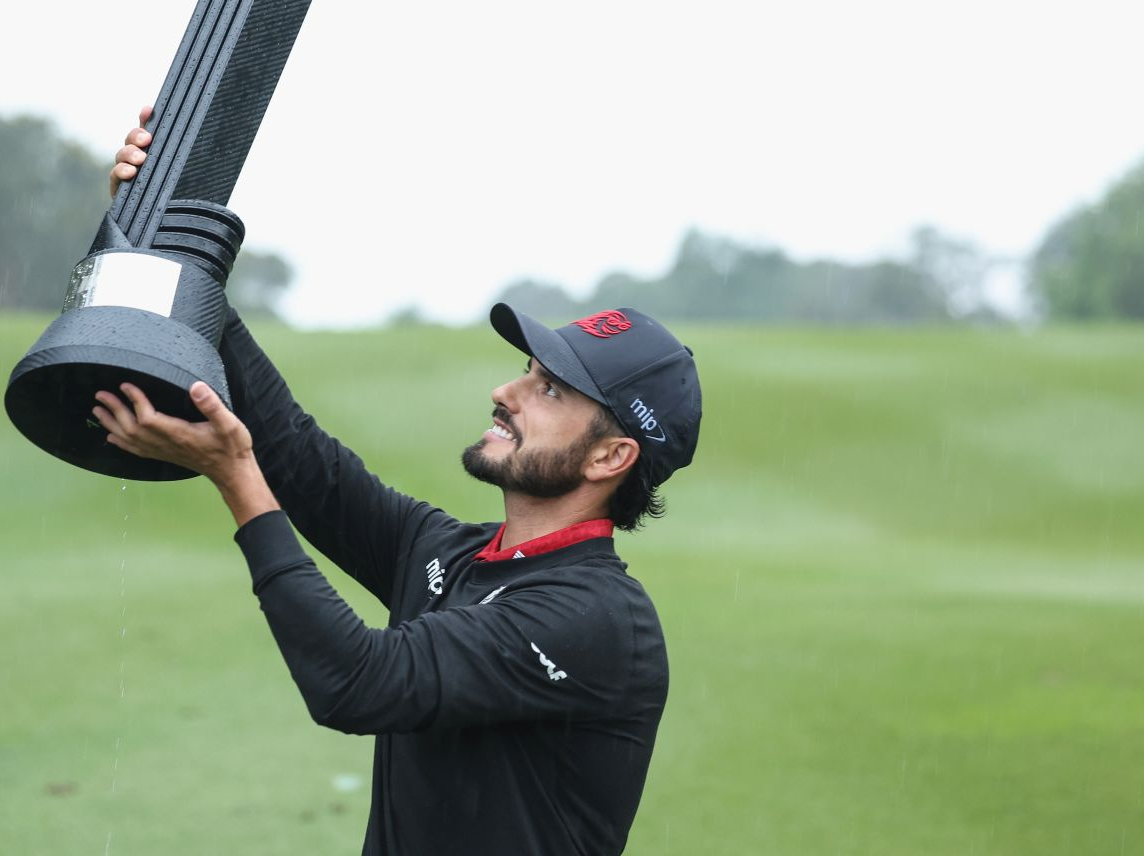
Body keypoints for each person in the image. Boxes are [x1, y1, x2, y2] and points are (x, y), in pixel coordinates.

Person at [94, 110, 703, 855]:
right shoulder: (450, 553)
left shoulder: (599, 620)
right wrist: (172, 245)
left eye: (549, 393)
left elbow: (357, 682)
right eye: (527, 374)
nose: (506, 394)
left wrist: (235, 475)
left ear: (611, 459)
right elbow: (301, 459)